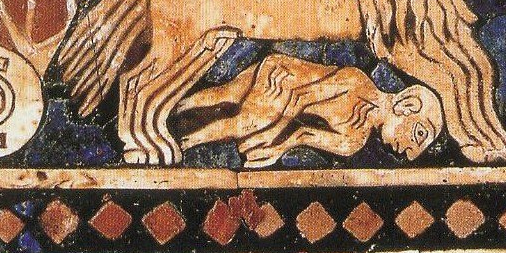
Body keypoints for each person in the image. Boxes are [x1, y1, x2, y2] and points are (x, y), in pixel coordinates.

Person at [176, 53, 444, 166]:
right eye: (419, 134)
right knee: (233, 105)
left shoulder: (353, 142)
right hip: (282, 76)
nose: (410, 153)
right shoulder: (357, 82)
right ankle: (174, 117)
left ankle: (184, 142)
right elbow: (302, 97)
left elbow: (302, 135)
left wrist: (275, 151)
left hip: (282, 106)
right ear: (408, 105)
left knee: (241, 110)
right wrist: (267, 137)